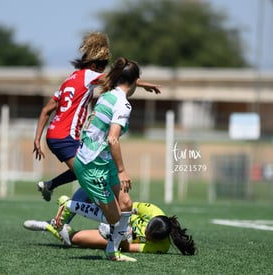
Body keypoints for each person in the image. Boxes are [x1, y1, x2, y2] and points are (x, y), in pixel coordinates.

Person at [34, 32, 160, 202]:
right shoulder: (89, 76)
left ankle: (51, 186)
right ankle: (77, 216)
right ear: (94, 66)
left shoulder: (69, 80)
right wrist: (140, 83)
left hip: (53, 134)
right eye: (102, 67)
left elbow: (45, 111)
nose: (103, 72)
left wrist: (37, 139)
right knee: (92, 178)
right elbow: (117, 78)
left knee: (84, 173)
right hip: (66, 136)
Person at [52, 57, 156, 262]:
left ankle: (112, 251)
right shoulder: (123, 105)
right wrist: (122, 170)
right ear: (135, 80)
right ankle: (69, 206)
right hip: (92, 166)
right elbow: (112, 139)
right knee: (115, 218)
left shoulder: (108, 95)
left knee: (126, 203)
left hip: (102, 161)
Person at [24, 197, 196, 255]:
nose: (144, 233)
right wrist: (116, 221)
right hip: (118, 217)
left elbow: (128, 247)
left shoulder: (161, 247)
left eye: (147, 236)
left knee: (74, 239)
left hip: (116, 238)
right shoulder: (153, 211)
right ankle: (70, 205)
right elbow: (125, 207)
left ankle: (49, 226)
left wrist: (116, 235)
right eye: (146, 228)